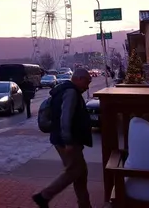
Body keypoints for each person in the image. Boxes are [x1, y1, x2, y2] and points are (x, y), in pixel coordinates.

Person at [33, 68, 93, 208]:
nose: (87, 86)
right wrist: (68, 141)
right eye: (86, 82)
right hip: (68, 140)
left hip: (64, 139)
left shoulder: (64, 90)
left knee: (81, 173)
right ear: (78, 78)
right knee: (75, 171)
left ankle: (85, 205)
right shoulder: (71, 92)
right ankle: (44, 196)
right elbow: (65, 118)